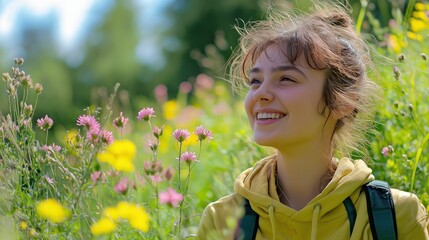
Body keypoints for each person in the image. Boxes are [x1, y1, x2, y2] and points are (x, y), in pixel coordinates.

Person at [197, 2, 429, 240]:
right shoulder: (222, 221)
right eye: (255, 81)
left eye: (286, 78)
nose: (260, 93)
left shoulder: (396, 216)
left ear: (343, 102)